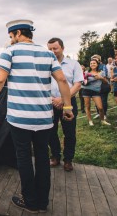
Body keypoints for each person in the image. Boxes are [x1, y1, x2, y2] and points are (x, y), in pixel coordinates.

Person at [0, 19, 74, 213]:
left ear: (17, 34)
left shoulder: (10, 52)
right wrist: (67, 106)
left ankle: (30, 201)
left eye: (11, 36)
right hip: (43, 117)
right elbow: (62, 79)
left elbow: (0, 79)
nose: (11, 40)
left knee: (24, 157)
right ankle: (42, 201)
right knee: (42, 157)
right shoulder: (47, 53)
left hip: (19, 118)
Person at [47, 38, 83, 172]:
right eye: (49, 49)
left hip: (68, 102)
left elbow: (77, 84)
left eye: (55, 48)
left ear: (62, 48)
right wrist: (52, 99)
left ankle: (68, 159)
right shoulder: (46, 65)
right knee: (51, 131)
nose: (52, 51)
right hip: (50, 102)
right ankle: (55, 156)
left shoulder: (74, 64)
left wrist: (63, 99)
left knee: (69, 133)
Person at [81, 58, 110, 126]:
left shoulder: (101, 72)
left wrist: (101, 78)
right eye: (91, 63)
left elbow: (106, 82)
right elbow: (82, 82)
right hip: (86, 91)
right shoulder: (86, 73)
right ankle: (90, 121)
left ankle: (102, 120)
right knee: (88, 107)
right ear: (90, 65)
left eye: (94, 63)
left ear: (97, 64)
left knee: (100, 107)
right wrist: (85, 82)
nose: (92, 64)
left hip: (96, 92)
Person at [91, 54, 110, 119]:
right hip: (96, 86)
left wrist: (97, 76)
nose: (93, 60)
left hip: (104, 85)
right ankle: (98, 113)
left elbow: (104, 75)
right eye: (92, 58)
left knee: (103, 100)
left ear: (99, 59)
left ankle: (104, 114)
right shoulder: (93, 66)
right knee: (96, 100)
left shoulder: (103, 66)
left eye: (95, 58)